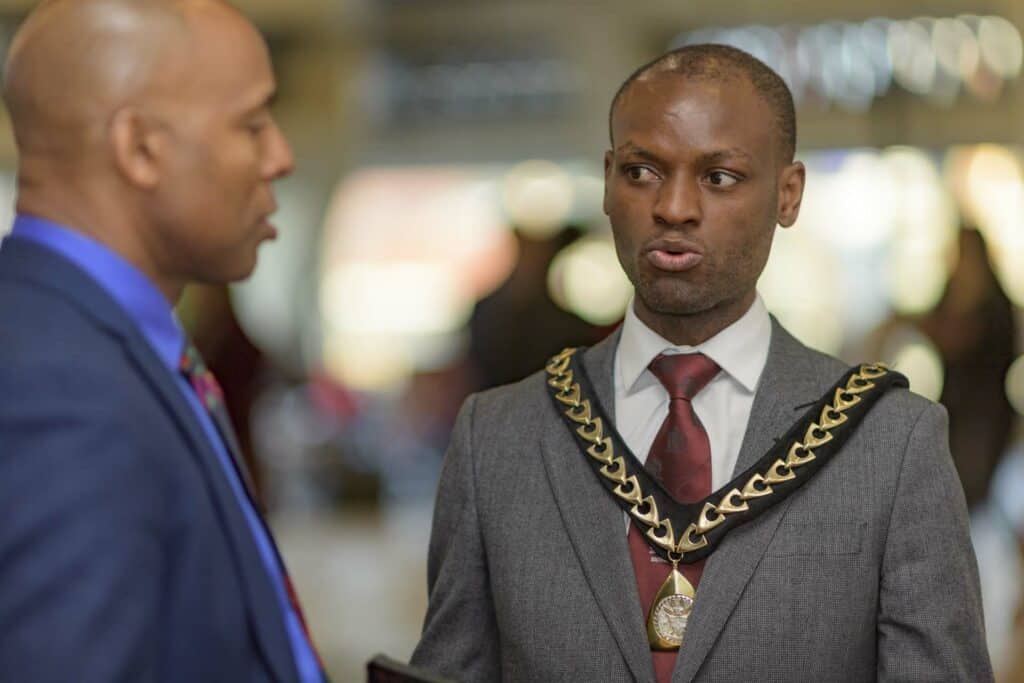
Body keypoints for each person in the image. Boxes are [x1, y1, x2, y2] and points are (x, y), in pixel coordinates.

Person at [410, 45, 992, 682]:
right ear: (607, 182)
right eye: (641, 172)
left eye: (719, 177)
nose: (675, 208)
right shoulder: (497, 438)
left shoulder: (890, 443)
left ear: (788, 194)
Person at [0, 1, 323, 681]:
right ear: (140, 147)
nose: (282, 157)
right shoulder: (58, 387)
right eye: (253, 124)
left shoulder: (108, 342)